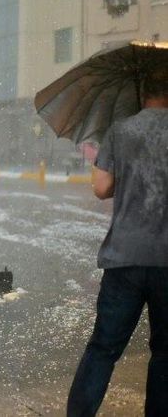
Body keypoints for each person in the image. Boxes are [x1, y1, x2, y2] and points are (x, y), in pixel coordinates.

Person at [67, 72, 168, 416]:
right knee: (165, 353)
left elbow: (100, 188)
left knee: (103, 348)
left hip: (123, 258)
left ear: (142, 93)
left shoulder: (121, 131)